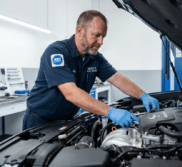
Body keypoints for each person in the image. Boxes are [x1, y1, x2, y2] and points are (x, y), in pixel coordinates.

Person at [22, 10, 159, 130]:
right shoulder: (57, 52)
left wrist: (143, 95)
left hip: (66, 121)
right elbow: (70, 93)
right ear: (80, 30)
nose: (101, 42)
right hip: (39, 121)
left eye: (103, 37)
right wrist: (110, 112)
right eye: (96, 35)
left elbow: (117, 78)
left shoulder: (95, 58)